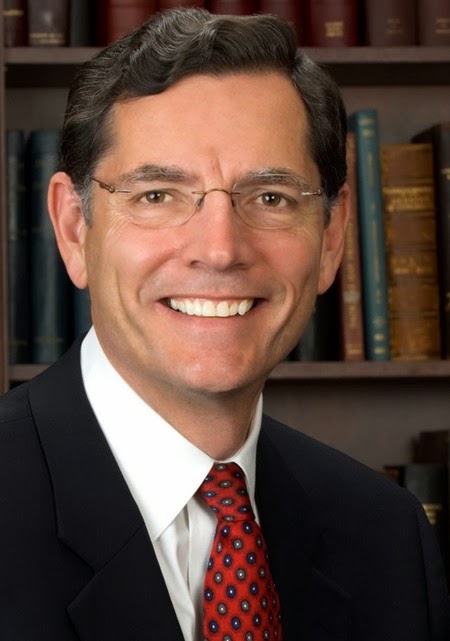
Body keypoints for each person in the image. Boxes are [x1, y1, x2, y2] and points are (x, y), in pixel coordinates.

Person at [0, 8, 448, 641]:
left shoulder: (386, 533)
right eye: (158, 195)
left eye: (271, 198)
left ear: (331, 237)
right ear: (74, 231)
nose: (219, 250)